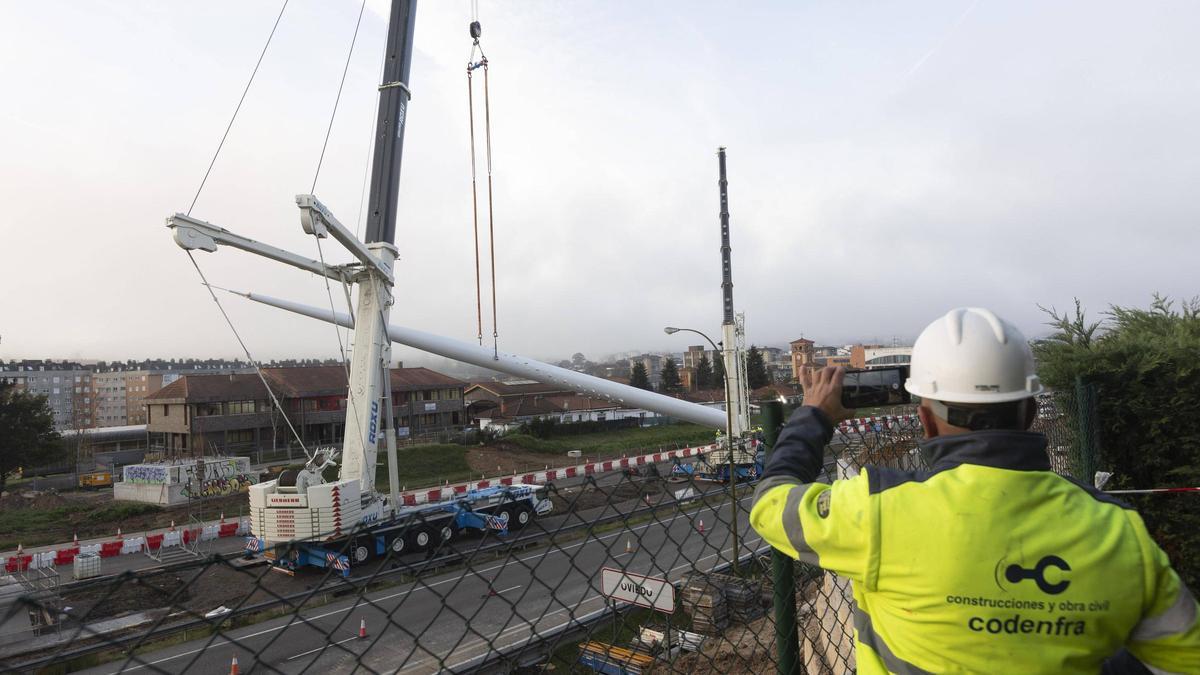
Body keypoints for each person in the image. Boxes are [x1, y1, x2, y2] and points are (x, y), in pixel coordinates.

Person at [750, 307, 1199, 674]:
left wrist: (814, 417)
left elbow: (771, 504)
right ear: (1029, 412)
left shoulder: (878, 511)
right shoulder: (1120, 531)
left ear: (924, 421)